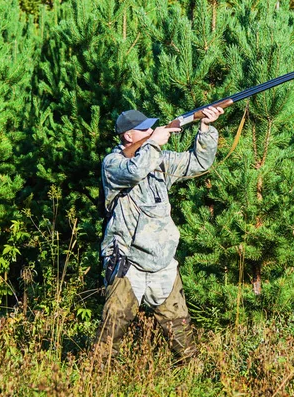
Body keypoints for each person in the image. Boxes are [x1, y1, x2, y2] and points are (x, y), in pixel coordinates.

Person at [96, 106, 224, 361]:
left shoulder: (158, 160)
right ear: (129, 137)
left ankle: (192, 377)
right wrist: (153, 143)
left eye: (151, 127)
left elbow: (198, 163)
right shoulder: (113, 164)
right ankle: (97, 379)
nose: (151, 131)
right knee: (113, 329)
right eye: (144, 129)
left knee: (180, 330)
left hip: (162, 262)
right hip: (128, 261)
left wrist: (206, 128)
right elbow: (134, 171)